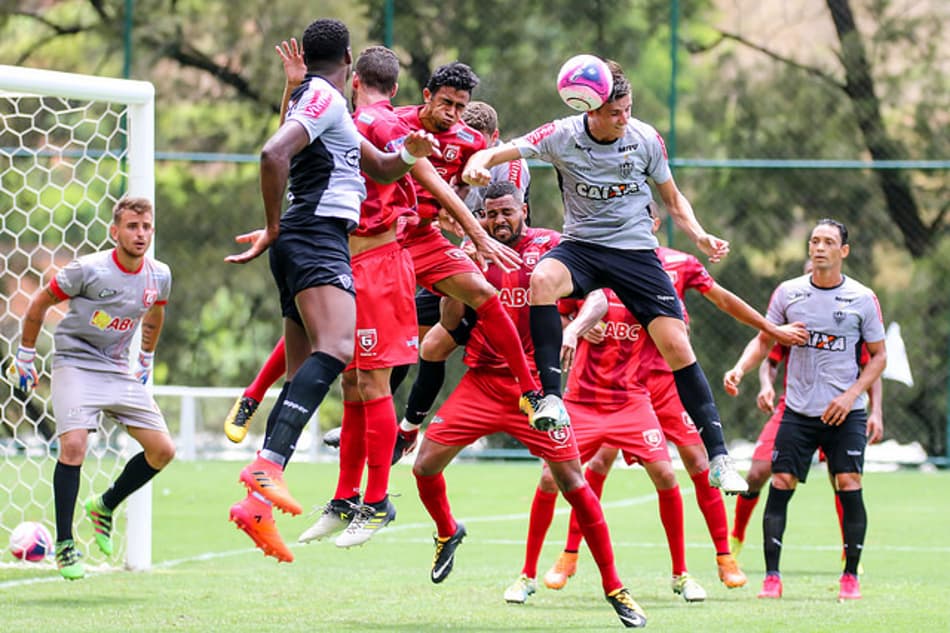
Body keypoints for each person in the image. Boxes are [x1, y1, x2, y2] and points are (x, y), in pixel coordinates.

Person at [462, 58, 746, 490]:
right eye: (616, 112)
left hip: (635, 253)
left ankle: (721, 458)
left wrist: (700, 235)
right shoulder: (562, 134)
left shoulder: (646, 139)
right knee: (542, 279)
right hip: (583, 248)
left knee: (677, 345)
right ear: (589, 110)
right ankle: (551, 400)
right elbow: (508, 148)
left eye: (628, 109)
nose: (624, 118)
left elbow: (673, 199)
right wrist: (479, 158)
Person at [223, 18, 444, 563]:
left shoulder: (320, 102)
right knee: (340, 351)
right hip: (317, 238)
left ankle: (257, 503)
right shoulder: (325, 96)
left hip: (301, 239)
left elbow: (385, 168)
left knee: (302, 374)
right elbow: (274, 154)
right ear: (348, 58)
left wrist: (412, 151)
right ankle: (268, 468)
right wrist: (273, 225)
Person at [412, 181, 647, 629]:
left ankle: (615, 586)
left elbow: (597, 298)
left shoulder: (553, 247)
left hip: (536, 391)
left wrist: (574, 329)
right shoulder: (471, 250)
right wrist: (451, 284)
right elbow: (450, 323)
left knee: (573, 483)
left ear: (524, 208)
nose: (498, 221)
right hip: (482, 382)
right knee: (424, 467)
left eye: (506, 212)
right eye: (490, 214)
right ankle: (447, 530)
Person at [541, 202, 808, 592]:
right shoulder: (596, 260)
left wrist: (771, 328)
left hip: (666, 383)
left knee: (698, 462)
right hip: (616, 383)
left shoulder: (679, 264)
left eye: (634, 215)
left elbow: (722, 299)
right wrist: (577, 326)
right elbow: (563, 307)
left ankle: (723, 556)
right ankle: (569, 555)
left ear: (653, 222)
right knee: (596, 464)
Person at [503, 286, 707, 606]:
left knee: (666, 475)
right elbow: (551, 314)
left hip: (631, 401)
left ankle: (681, 574)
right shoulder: (586, 281)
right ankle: (526, 576)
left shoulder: (651, 287)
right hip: (581, 403)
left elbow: (681, 330)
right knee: (547, 479)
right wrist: (578, 322)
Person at [8, 196, 174, 580]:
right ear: (114, 232)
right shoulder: (87, 270)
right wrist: (27, 354)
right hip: (75, 362)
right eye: (132, 226)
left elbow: (156, 311)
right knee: (74, 444)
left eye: (146, 226)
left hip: (116, 368)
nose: (141, 233)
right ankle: (65, 544)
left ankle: (105, 505)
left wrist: (146, 356)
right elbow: (38, 303)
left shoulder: (159, 274)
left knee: (163, 450)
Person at [723, 218, 887, 600]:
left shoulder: (862, 298)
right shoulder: (788, 293)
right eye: (814, 241)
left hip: (845, 413)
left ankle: (850, 575)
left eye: (829, 242)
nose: (819, 247)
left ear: (843, 251)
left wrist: (853, 396)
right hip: (797, 411)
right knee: (778, 483)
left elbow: (879, 358)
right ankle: (772, 578)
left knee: (848, 483)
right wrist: (740, 369)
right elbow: (764, 341)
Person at [392, 100, 533, 463]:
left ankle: (536, 394)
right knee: (413, 337)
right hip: (463, 255)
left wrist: (469, 237)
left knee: (437, 342)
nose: (470, 150)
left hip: (500, 263)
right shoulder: (451, 152)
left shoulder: (508, 165)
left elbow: (502, 223)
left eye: (478, 143)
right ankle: (396, 427)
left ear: (494, 140)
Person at [729, 331, 883, 561]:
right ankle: (736, 538)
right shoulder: (798, 314)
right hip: (795, 409)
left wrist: (876, 411)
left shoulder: (850, 317)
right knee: (757, 473)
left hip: (838, 410)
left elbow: (872, 366)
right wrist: (766, 386)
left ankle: (848, 555)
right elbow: (769, 359)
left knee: (843, 480)